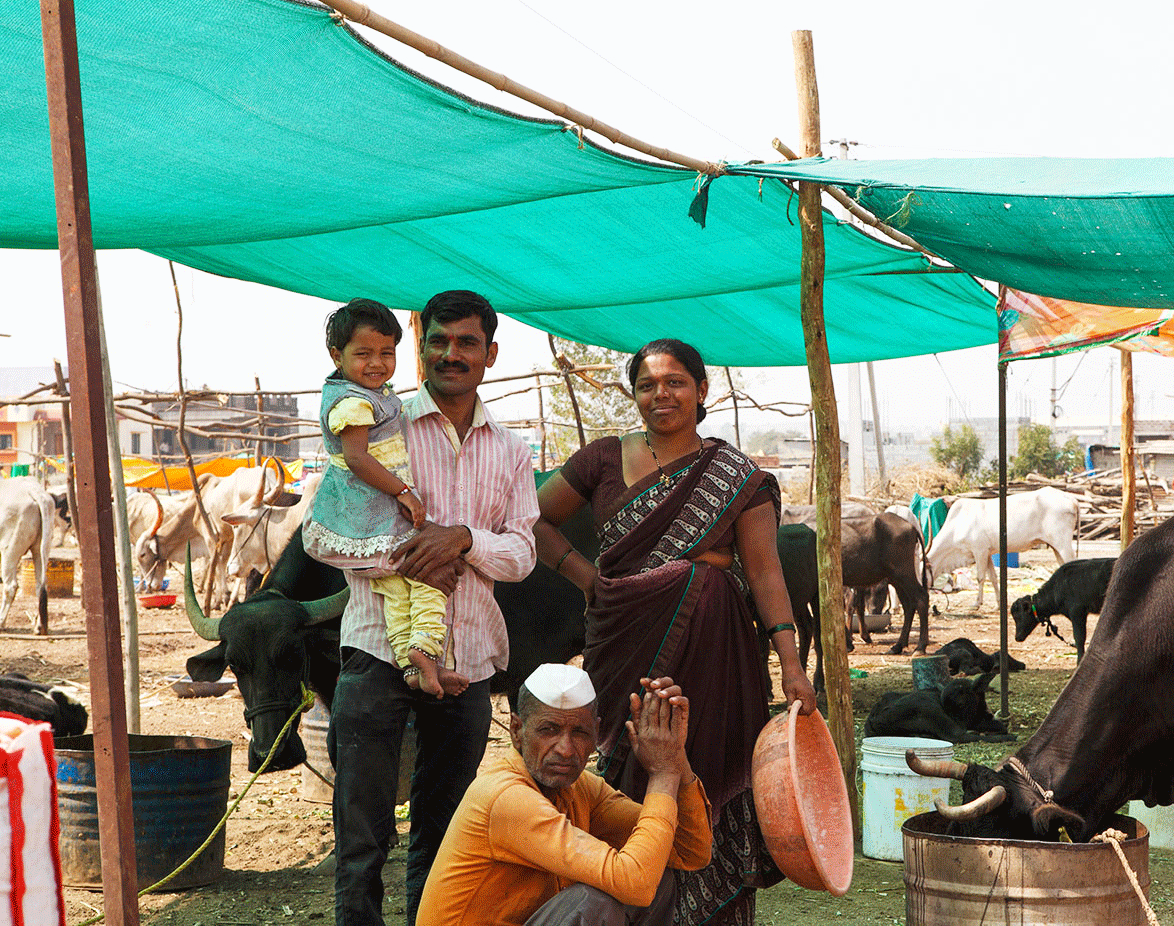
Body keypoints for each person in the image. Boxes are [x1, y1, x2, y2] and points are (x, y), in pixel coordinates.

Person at [533, 338, 818, 926]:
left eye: (675, 382)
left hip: (714, 648)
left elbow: (764, 572)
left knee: (705, 772)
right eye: (646, 385)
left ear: (701, 390)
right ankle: (634, 904)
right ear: (633, 394)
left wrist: (793, 666)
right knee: (631, 772)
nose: (660, 394)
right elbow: (531, 520)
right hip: (621, 643)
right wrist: (588, 579)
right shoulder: (602, 459)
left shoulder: (735, 473)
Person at [318, 290, 539, 926]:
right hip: (376, 650)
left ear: (490, 353)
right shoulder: (374, 424)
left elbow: (523, 555)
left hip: (467, 658)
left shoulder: (511, 450)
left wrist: (463, 539)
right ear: (421, 347)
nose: (450, 354)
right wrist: (410, 557)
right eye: (438, 341)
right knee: (361, 838)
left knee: (445, 839)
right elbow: (329, 536)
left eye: (466, 342)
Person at [417, 664, 712, 926]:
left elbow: (690, 851)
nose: (566, 749)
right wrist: (663, 776)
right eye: (549, 730)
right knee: (591, 903)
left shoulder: (579, 788)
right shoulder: (505, 797)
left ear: (596, 733)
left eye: (580, 733)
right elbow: (635, 883)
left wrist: (674, 758)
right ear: (516, 730)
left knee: (656, 871)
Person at [303, 298, 446, 697]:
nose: (377, 363)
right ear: (337, 355)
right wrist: (405, 492)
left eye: (387, 353)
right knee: (427, 575)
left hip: (367, 515)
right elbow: (357, 458)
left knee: (396, 590)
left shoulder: (367, 393)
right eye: (363, 354)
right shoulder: (352, 401)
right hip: (370, 513)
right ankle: (426, 647)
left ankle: (412, 665)